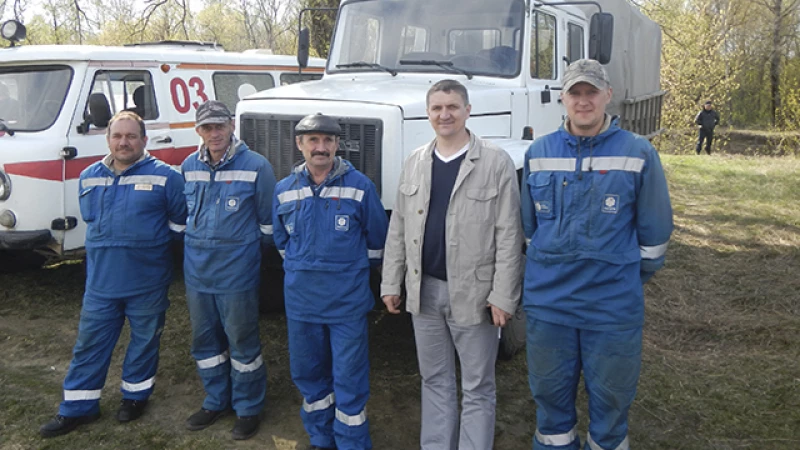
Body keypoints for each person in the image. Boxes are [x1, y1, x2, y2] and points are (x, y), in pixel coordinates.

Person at [521, 59, 673, 450]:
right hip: (549, 306)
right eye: (575, 93)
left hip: (611, 308)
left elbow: (654, 236)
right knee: (550, 405)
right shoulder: (538, 153)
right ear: (563, 98)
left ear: (608, 95)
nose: (583, 101)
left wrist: (622, 278)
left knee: (611, 406)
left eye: (592, 92)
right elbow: (529, 230)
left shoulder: (638, 152)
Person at [381, 79, 523, 450]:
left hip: (475, 294)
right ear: (428, 114)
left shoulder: (495, 162)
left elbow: (510, 234)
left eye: (452, 107)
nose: (445, 115)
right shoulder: (415, 162)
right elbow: (399, 227)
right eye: (437, 108)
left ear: (467, 111)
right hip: (424, 291)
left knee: (477, 385)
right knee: (434, 379)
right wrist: (391, 282)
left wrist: (503, 296)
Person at [39, 111, 187, 438]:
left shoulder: (167, 177)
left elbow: (179, 224)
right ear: (107, 140)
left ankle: (134, 398)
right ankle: (78, 408)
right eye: (117, 136)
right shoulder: (89, 176)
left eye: (131, 136)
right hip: (101, 283)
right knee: (89, 345)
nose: (124, 142)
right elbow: (92, 222)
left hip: (147, 281)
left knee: (144, 343)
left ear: (144, 140)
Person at [272, 114, 388, 450]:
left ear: (338, 145)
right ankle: (321, 438)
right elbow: (282, 243)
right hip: (302, 304)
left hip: (346, 304)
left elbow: (377, 242)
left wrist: (346, 272)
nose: (320, 147)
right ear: (300, 144)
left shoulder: (360, 187)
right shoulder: (283, 190)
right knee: (309, 374)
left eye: (327, 140)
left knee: (349, 376)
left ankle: (352, 442)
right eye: (313, 140)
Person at [181, 100, 276, 440]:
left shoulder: (257, 166)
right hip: (197, 272)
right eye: (207, 128)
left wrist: (246, 256)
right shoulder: (188, 166)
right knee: (204, 340)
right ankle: (215, 400)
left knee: (241, 340)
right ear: (199, 131)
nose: (215, 133)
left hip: (236, 272)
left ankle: (248, 407)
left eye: (220, 126)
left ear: (232, 125)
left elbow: (268, 225)